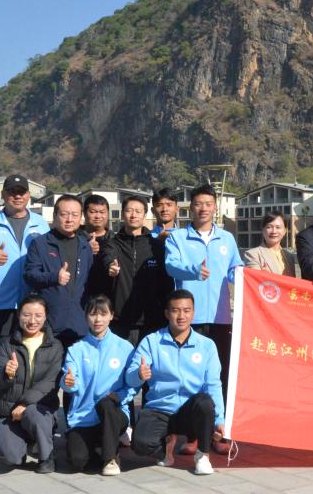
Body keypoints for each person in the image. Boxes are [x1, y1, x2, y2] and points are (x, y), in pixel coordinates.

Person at [0, 173, 49, 449]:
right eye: (12, 191)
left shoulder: (40, 223)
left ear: (29, 195)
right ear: (3, 195)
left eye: (21, 191)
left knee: (31, 368)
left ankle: (29, 423)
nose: (17, 195)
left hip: (32, 307)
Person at [126, 290, 225, 476]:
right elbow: (130, 379)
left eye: (186, 311)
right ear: (166, 313)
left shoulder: (207, 345)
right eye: (175, 310)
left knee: (205, 402)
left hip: (190, 411)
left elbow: (213, 384)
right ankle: (166, 447)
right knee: (140, 445)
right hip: (160, 408)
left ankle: (203, 455)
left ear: (193, 313)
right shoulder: (151, 341)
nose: (181, 316)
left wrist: (220, 419)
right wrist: (138, 374)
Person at [165, 184, 243, 403]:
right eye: (198, 204)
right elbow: (171, 266)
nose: (203, 208)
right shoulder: (177, 237)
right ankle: (190, 421)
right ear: (190, 207)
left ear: (215, 207)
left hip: (221, 317)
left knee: (221, 371)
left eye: (208, 204)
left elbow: (236, 269)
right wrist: (194, 271)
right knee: (190, 372)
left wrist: (252, 277)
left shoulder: (227, 238)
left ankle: (220, 419)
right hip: (189, 318)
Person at [61, 295, 136, 476]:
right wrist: (68, 382)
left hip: (114, 413)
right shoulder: (76, 349)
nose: (98, 319)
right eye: (93, 314)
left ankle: (110, 458)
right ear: (86, 316)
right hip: (84, 416)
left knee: (106, 404)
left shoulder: (124, 347)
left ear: (111, 315)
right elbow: (69, 380)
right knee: (77, 461)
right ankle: (99, 448)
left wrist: (120, 396)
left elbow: (133, 385)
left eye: (103, 314)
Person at [0, 294, 64, 473]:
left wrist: (24, 404)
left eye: (38, 315)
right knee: (11, 458)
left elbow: (50, 382)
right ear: (18, 315)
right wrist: (6, 374)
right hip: (8, 411)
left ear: (45, 317)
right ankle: (29, 440)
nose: (32, 321)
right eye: (26, 315)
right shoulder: (5, 344)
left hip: (39, 408)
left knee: (34, 413)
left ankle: (47, 457)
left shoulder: (55, 346)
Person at [23, 195, 93, 349]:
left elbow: (90, 283)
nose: (69, 219)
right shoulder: (40, 244)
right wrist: (54, 277)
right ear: (55, 216)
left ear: (81, 218)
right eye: (64, 214)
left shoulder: (85, 246)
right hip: (50, 325)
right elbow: (29, 276)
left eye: (75, 215)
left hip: (79, 325)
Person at [100, 196, 166, 345]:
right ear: (122, 214)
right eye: (129, 210)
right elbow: (107, 257)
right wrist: (110, 266)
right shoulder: (112, 243)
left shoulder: (156, 246)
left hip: (151, 320)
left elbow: (165, 283)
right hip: (120, 320)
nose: (133, 215)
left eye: (138, 211)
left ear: (145, 215)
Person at [147, 187, 178, 322]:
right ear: (153, 210)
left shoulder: (185, 237)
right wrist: (157, 243)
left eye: (169, 204)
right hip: (153, 303)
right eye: (159, 205)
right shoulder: (145, 238)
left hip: (180, 301)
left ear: (177, 208)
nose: (164, 209)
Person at [244, 211, 300, 277]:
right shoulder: (253, 255)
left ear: (285, 231)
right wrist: (264, 276)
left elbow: (292, 282)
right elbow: (254, 280)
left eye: (278, 227)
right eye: (269, 227)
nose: (274, 231)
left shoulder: (289, 256)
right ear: (263, 230)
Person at [82, 194, 115, 300]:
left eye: (102, 212)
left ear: (108, 213)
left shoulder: (116, 240)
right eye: (93, 212)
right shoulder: (74, 238)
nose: (98, 216)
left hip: (108, 299)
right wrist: (84, 248)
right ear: (84, 213)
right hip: (80, 297)